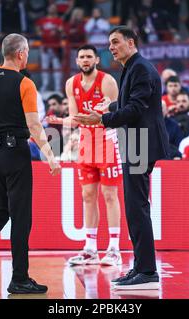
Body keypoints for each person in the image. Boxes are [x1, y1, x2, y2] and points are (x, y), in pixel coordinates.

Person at [73, 26, 171, 290]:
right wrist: (111, 107)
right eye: (109, 43)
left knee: (137, 207)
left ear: (131, 42)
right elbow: (130, 103)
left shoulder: (139, 68)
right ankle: (140, 267)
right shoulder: (132, 67)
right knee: (135, 206)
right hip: (136, 142)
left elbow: (137, 109)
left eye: (115, 42)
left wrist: (102, 118)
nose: (111, 47)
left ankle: (147, 271)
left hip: (140, 143)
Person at [0, 33, 61, 295]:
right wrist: (49, 155)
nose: (27, 56)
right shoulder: (25, 83)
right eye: (27, 52)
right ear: (20, 53)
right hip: (15, 152)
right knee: (20, 217)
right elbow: (33, 124)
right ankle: (19, 278)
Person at [48, 44, 123, 266]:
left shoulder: (107, 81)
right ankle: (90, 250)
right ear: (77, 61)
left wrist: (95, 117)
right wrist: (60, 121)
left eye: (89, 56)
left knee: (110, 195)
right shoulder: (71, 83)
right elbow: (75, 118)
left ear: (97, 60)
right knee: (88, 195)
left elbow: (115, 114)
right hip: (85, 143)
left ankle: (114, 249)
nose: (85, 60)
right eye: (81, 57)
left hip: (107, 141)